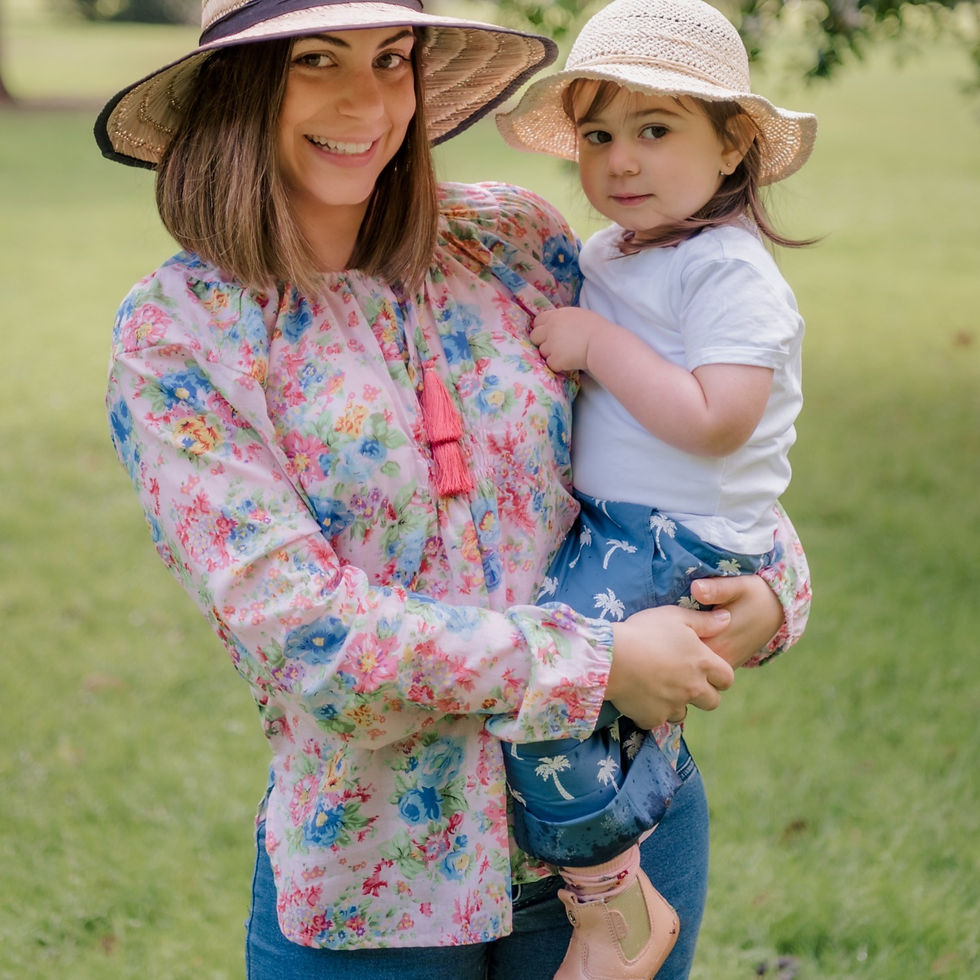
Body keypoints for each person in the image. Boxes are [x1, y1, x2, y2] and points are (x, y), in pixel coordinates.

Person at [94, 1, 811, 978]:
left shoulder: (510, 240)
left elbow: (689, 453)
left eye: (392, 58)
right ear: (238, 87)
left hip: (620, 820)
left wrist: (773, 591)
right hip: (376, 886)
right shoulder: (182, 332)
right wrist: (595, 661)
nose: (367, 100)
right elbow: (304, 628)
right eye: (316, 60)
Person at [494, 0, 817, 975]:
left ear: (731, 148)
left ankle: (611, 913)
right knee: (584, 695)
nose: (618, 161)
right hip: (624, 525)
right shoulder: (615, 253)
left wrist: (599, 346)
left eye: (653, 130)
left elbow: (717, 418)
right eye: (597, 135)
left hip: (674, 537)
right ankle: (629, 831)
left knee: (549, 692)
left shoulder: (726, 272)